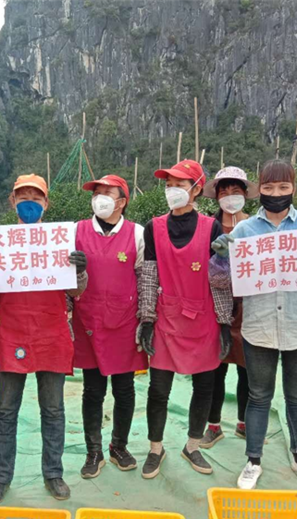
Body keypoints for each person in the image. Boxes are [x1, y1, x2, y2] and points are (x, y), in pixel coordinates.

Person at [210, 159, 297, 491]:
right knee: (259, 396)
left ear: (293, 188)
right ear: (260, 190)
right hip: (259, 327)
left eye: (283, 187)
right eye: (269, 187)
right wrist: (220, 259)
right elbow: (220, 281)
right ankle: (253, 461)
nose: (276, 193)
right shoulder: (244, 231)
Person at [0, 174, 88, 505]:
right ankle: (0, 479)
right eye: (23, 197)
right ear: (13, 202)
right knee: (6, 410)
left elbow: (76, 291)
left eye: (36, 197)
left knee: (53, 409)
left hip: (51, 333)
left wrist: (79, 270)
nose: (30, 203)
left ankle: (53, 473)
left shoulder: (60, 242)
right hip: (11, 333)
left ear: (46, 203)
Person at [137, 159, 233, 479]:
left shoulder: (212, 228)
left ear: (196, 189)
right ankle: (155, 448)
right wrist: (146, 319)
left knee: (204, 386)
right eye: (169, 185)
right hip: (166, 319)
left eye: (179, 184)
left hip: (203, 319)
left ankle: (192, 445)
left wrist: (224, 323)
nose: (172, 190)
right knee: (158, 389)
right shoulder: (154, 227)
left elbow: (220, 281)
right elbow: (149, 275)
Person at [74, 174, 148, 478]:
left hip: (124, 322)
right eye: (97, 193)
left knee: (124, 388)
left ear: (122, 202)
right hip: (88, 321)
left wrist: (146, 319)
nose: (100, 198)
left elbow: (144, 278)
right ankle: (94, 451)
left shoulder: (137, 234)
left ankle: (119, 445)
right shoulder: (76, 231)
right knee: (92, 390)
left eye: (107, 193)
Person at [199, 167, 258, 448]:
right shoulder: (207, 228)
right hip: (216, 307)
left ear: (245, 195)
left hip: (250, 307)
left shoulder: (257, 227)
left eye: (236, 191)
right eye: (224, 192)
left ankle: (245, 423)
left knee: (249, 369)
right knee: (215, 369)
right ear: (216, 197)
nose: (230, 197)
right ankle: (213, 425)